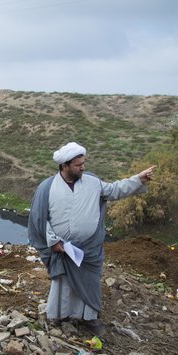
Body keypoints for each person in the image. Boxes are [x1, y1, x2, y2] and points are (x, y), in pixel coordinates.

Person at [27, 142, 155, 335]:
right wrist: (54, 241)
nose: (83, 167)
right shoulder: (47, 188)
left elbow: (114, 190)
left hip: (89, 250)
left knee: (91, 283)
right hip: (62, 250)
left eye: (83, 163)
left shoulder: (93, 182)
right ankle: (61, 316)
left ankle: (89, 319)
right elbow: (39, 218)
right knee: (64, 284)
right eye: (78, 165)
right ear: (65, 165)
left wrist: (138, 180)